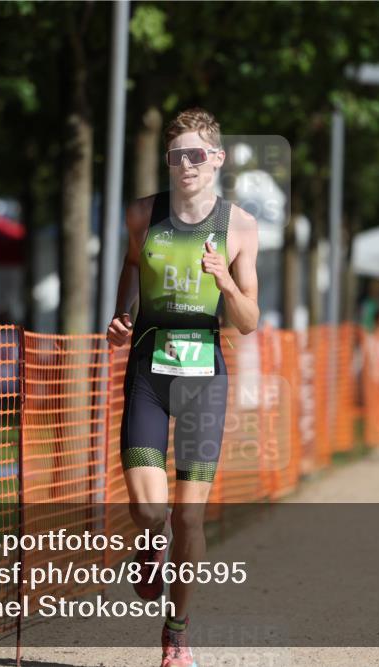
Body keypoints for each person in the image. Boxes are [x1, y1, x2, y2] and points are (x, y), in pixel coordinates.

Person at [105, 108, 259, 667]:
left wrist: (224, 282)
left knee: (190, 518)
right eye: (177, 156)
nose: (186, 165)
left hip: (202, 382)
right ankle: (148, 549)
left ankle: (176, 631)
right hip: (148, 374)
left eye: (197, 155)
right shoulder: (144, 215)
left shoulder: (239, 227)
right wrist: (122, 315)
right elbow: (129, 267)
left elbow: (248, 320)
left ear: (216, 158)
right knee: (151, 514)